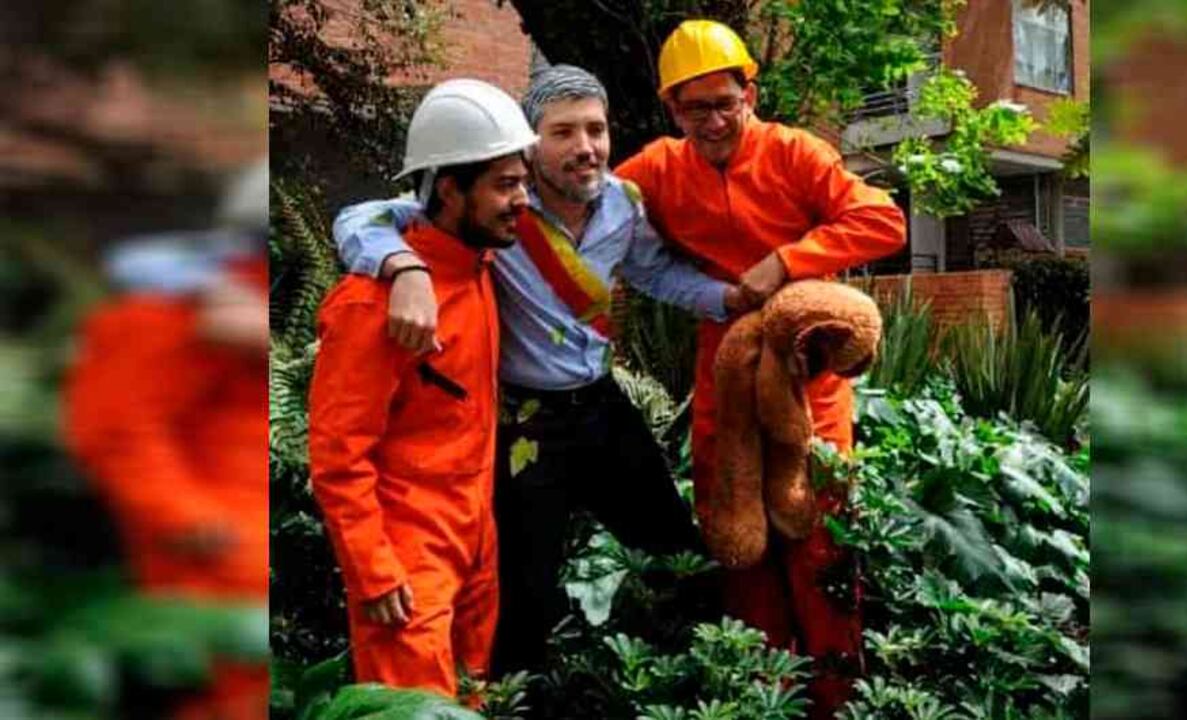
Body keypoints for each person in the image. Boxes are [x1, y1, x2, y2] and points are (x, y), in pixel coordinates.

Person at [332, 64, 745, 677]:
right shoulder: (494, 206)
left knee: (677, 552)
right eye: (563, 132)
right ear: (529, 145)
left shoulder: (624, 206)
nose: (586, 147)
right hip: (525, 421)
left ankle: (701, 683)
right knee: (523, 594)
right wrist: (403, 266)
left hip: (601, 403)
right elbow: (359, 218)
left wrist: (731, 299)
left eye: (596, 130)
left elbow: (656, 273)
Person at [613, 20, 907, 717]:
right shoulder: (654, 169)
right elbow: (579, 203)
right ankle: (760, 696)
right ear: (672, 109)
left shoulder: (795, 152)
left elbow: (884, 222)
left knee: (820, 537)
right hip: (723, 366)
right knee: (735, 533)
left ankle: (838, 699)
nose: (714, 121)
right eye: (696, 108)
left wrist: (787, 262)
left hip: (810, 373)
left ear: (750, 93)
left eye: (726, 102)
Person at [307, 79, 535, 698]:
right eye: (505, 185)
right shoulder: (371, 305)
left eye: (522, 182)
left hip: (475, 542)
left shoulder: (479, 262)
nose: (522, 200)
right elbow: (338, 454)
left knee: (472, 700)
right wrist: (373, 569)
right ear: (451, 190)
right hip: (407, 561)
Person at [62, 158, 271, 720]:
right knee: (225, 691)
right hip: (220, 550)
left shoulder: (252, 301)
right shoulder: (178, 307)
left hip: (254, 532)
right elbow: (115, 427)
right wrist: (189, 519)